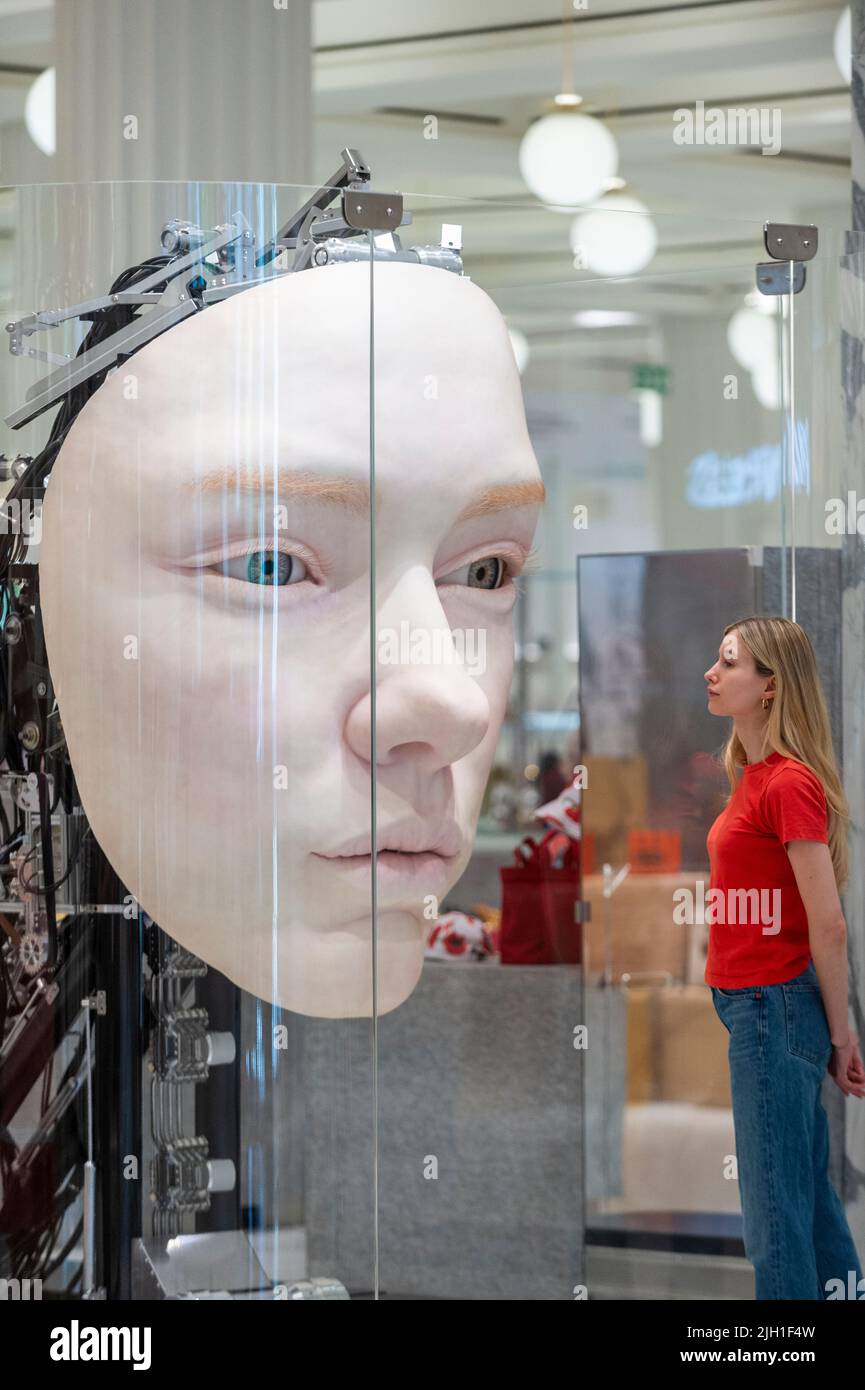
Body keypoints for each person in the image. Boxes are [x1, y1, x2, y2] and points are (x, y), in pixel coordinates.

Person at [703, 614, 864, 1300]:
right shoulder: (752, 777)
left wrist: (841, 1031)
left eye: (729, 662)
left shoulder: (785, 783)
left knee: (773, 1218)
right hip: (759, 1005)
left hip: (773, 1005)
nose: (711, 673)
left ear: (769, 687)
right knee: (802, 1196)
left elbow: (826, 924)